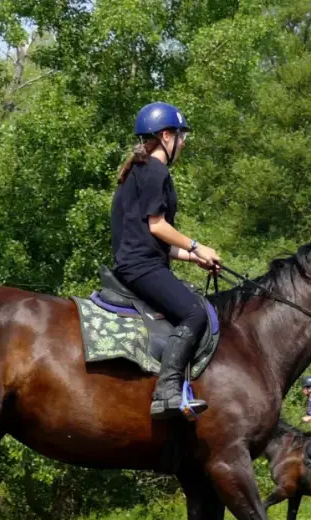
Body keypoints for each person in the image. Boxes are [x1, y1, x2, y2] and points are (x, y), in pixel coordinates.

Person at [111, 102, 222, 419]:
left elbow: (152, 238)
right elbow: (157, 225)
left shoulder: (140, 170)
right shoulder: (156, 171)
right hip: (140, 267)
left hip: (139, 261)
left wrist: (192, 257)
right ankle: (167, 392)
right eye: (180, 135)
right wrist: (199, 246)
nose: (184, 142)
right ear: (165, 136)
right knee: (194, 313)